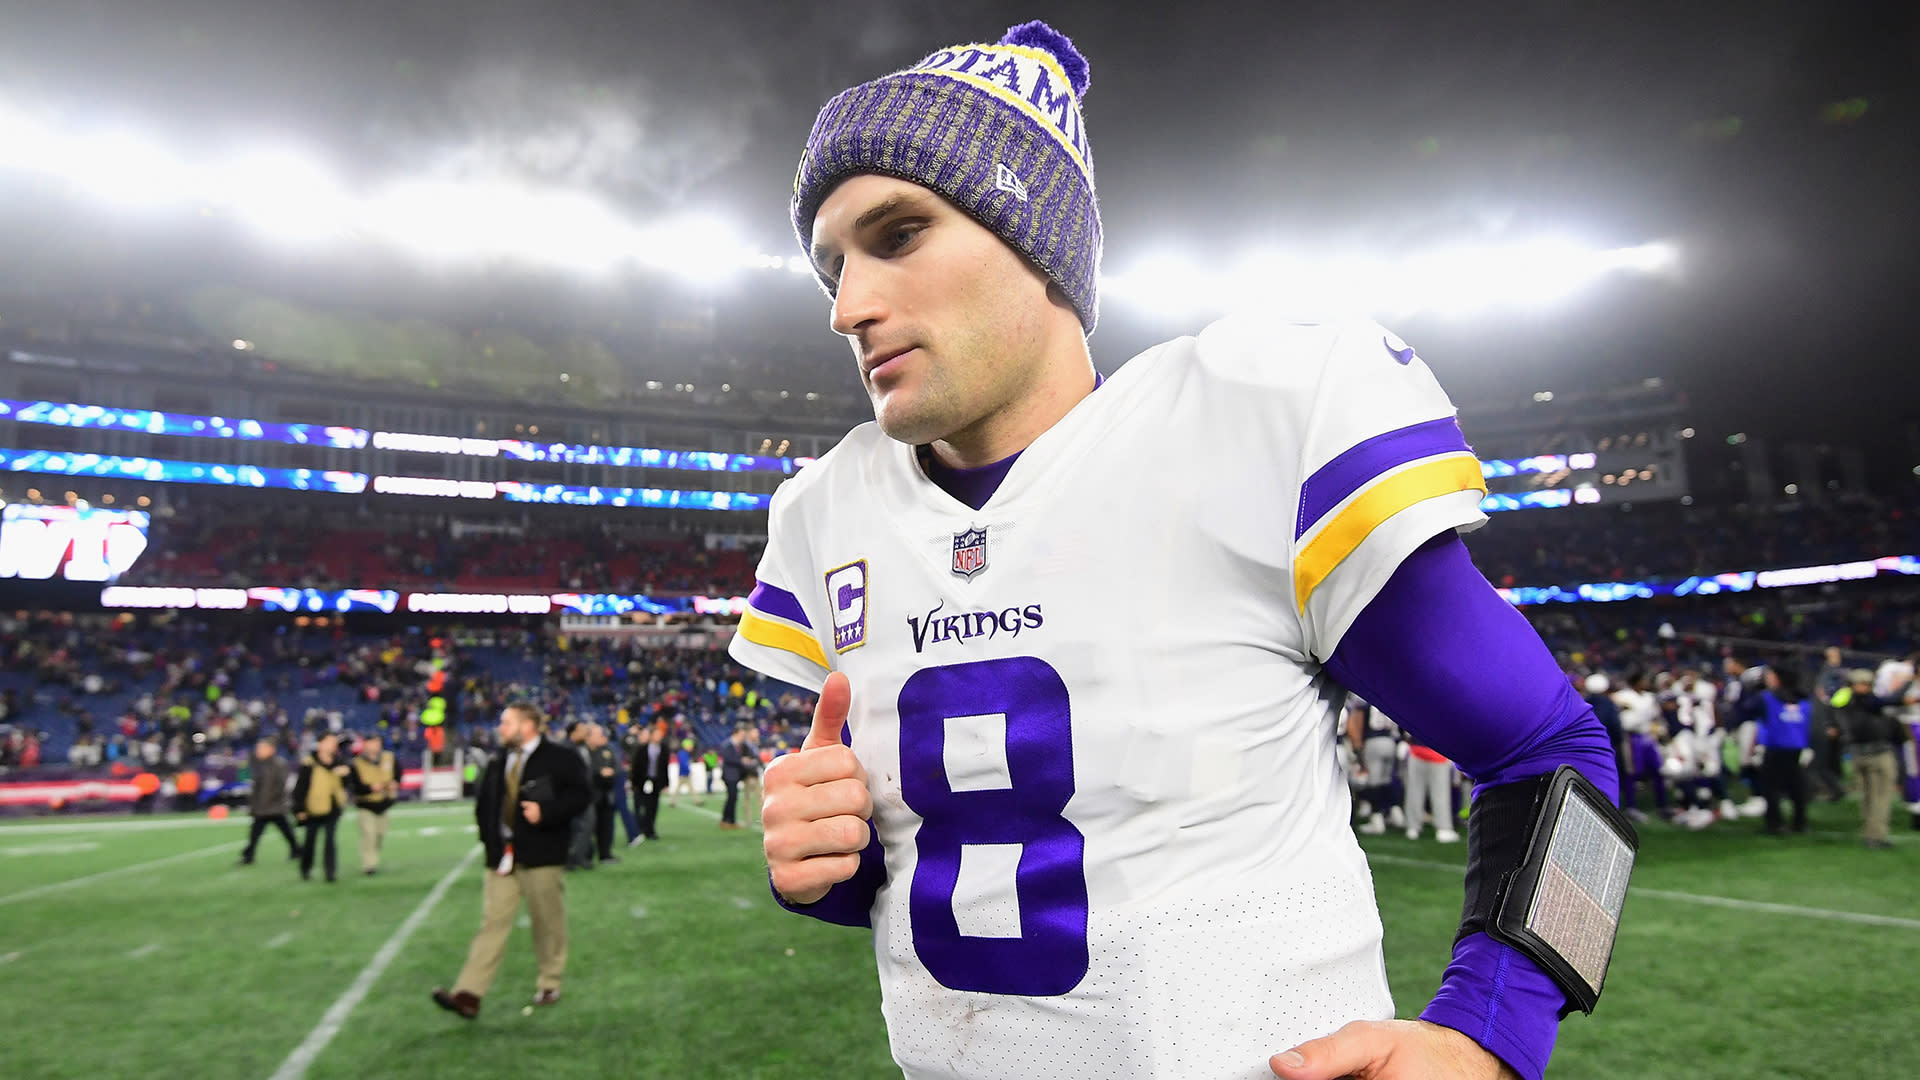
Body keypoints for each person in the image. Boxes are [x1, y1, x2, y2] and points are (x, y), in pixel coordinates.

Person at [732, 21, 1620, 1080]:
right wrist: (829, 863)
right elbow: (951, 864)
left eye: (900, 234)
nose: (848, 306)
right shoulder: (832, 513)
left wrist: (1493, 1034)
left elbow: (1559, 758)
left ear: (1034, 238)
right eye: (831, 266)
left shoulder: (1250, 424)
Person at [432, 702, 592, 1019]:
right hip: (501, 858)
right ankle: (469, 994)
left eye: (507, 723)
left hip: (542, 854)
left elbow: (581, 796)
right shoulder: (499, 761)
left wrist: (546, 813)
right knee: (492, 924)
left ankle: (549, 981)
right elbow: (485, 805)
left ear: (528, 725)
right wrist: (489, 840)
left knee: (547, 922)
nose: (500, 729)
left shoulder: (560, 758)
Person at [1832, 669, 1903, 848]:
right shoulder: (1870, 702)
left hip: (1857, 755)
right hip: (1877, 755)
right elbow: (1892, 700)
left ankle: (1869, 833)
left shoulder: (1844, 702)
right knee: (1880, 796)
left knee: (1868, 797)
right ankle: (1876, 837)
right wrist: (1909, 681)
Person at [1754, 667, 1813, 835]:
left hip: (1775, 746)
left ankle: (1775, 824)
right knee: (1797, 787)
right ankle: (1800, 822)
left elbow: (1748, 709)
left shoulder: (1768, 698)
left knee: (1771, 787)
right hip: (1798, 748)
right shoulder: (1804, 700)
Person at [290, 732, 349, 883]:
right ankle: (306, 868)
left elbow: (347, 784)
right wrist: (299, 809)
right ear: (321, 744)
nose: (333, 745)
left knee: (330, 840)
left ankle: (330, 871)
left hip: (333, 807)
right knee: (310, 840)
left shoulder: (340, 762)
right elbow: (300, 788)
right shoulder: (309, 763)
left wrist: (346, 775)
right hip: (313, 808)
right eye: (330, 741)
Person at [347, 733, 400, 875]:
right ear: (366, 744)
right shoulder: (356, 763)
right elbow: (354, 786)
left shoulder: (389, 757)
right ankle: (369, 865)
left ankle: (373, 857)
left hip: (384, 803)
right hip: (366, 804)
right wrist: (370, 788)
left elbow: (398, 773)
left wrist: (395, 783)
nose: (376, 746)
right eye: (372, 742)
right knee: (368, 835)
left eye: (377, 742)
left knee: (379, 835)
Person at [239, 739, 298, 865]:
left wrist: (267, 800)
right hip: (262, 807)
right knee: (256, 833)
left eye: (261, 748)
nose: (258, 751)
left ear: (271, 749)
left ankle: (296, 849)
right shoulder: (259, 764)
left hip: (273, 806)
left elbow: (280, 786)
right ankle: (249, 855)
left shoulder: (279, 764)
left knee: (284, 830)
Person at [564, 721, 597, 870]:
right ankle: (573, 858)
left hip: (585, 794)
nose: (585, 732)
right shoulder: (566, 749)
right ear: (573, 733)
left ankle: (580, 856)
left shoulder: (584, 747)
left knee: (585, 827)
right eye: (581, 730)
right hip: (573, 794)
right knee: (578, 827)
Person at [586, 724, 620, 864]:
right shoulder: (583, 752)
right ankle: (586, 856)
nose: (603, 737)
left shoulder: (607, 750)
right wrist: (600, 772)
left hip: (606, 794)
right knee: (588, 828)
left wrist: (611, 772)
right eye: (599, 734)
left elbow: (616, 766)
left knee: (606, 826)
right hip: (590, 796)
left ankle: (605, 854)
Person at [630, 723, 671, 843]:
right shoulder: (642, 748)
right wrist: (634, 783)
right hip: (642, 781)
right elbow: (636, 767)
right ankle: (639, 829)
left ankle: (650, 830)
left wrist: (665, 783)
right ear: (651, 735)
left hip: (655, 782)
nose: (659, 736)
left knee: (653, 807)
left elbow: (664, 767)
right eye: (657, 734)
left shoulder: (663, 748)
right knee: (640, 806)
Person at [718, 726, 759, 830]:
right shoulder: (727, 745)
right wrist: (741, 760)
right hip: (729, 775)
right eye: (741, 735)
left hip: (735, 775)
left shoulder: (738, 745)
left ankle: (726, 819)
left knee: (732, 797)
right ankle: (730, 821)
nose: (743, 737)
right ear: (735, 734)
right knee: (732, 797)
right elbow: (728, 759)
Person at [671, 736, 696, 807]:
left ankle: (697, 801)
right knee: (678, 789)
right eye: (690, 746)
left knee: (691, 789)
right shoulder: (683, 753)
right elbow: (683, 764)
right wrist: (688, 770)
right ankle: (672, 801)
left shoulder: (684, 753)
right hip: (683, 774)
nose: (691, 748)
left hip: (685, 774)